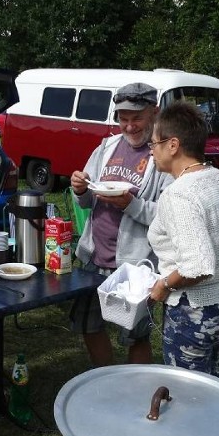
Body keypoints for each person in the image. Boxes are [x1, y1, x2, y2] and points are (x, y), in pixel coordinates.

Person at [69, 82, 173, 367]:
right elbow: (87, 201)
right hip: (93, 256)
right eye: (123, 119)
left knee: (135, 336)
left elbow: (169, 217)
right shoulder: (106, 147)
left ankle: (134, 386)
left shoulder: (164, 155)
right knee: (89, 325)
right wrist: (80, 189)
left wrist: (130, 204)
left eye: (136, 118)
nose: (129, 126)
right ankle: (107, 376)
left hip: (135, 266)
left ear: (155, 112)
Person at [147, 102, 219, 376]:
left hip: (198, 308)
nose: (151, 151)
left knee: (187, 387)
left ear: (173, 145)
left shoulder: (179, 195)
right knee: (210, 373)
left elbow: (198, 265)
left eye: (154, 144)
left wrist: (164, 285)